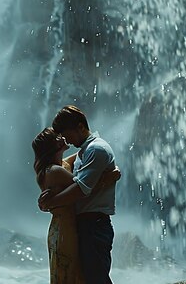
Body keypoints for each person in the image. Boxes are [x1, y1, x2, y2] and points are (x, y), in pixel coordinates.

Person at [38, 105, 118, 284]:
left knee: (95, 278)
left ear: (80, 127)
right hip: (83, 224)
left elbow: (81, 189)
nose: (65, 139)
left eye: (67, 134)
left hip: (94, 224)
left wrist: (50, 203)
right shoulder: (84, 151)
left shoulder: (96, 150)